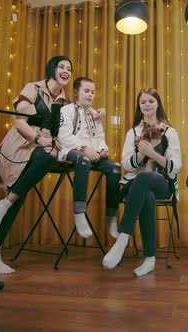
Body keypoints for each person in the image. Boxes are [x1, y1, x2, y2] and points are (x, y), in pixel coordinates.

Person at [0, 56, 104, 274]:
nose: (66, 71)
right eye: (62, 66)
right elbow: (19, 121)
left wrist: (96, 117)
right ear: (52, 68)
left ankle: (4, 210)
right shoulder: (33, 89)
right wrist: (40, 139)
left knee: (27, 183)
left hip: (45, 152)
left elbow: (75, 128)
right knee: (22, 190)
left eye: (69, 68)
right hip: (21, 146)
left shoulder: (66, 105)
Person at [102, 88, 181, 277]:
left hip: (162, 183)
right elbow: (127, 165)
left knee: (144, 178)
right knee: (145, 190)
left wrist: (153, 154)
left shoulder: (170, 132)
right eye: (143, 102)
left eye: (151, 101)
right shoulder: (133, 132)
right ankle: (149, 260)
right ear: (139, 106)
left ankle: (122, 239)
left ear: (158, 104)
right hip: (137, 185)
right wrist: (140, 153)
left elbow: (175, 167)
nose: (147, 105)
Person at [58, 77, 121, 239]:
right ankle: (79, 212)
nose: (90, 95)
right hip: (71, 151)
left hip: (93, 153)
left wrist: (102, 149)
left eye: (93, 92)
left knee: (115, 168)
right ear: (75, 92)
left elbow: (99, 137)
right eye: (86, 91)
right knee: (83, 160)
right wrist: (85, 148)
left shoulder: (94, 115)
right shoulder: (66, 110)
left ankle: (111, 216)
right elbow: (64, 136)